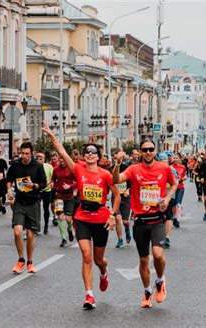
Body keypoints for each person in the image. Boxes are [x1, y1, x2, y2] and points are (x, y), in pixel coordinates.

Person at [43, 121, 119, 311]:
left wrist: (112, 215)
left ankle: (104, 272)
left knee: (98, 260)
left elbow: (117, 195)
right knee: (86, 255)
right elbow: (62, 152)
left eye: (93, 152)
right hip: (82, 217)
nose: (90, 154)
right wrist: (51, 135)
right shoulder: (79, 169)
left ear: (99, 157)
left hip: (101, 218)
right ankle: (89, 295)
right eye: (87, 152)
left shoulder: (105, 174)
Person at [113, 139, 177, 309]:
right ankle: (147, 291)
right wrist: (117, 164)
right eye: (144, 149)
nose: (148, 152)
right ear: (140, 152)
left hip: (157, 220)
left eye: (151, 149)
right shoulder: (134, 169)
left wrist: (168, 197)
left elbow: (175, 183)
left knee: (157, 255)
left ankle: (160, 280)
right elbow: (116, 179)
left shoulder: (164, 168)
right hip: (140, 222)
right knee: (143, 261)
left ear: (155, 151)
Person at [7, 142, 47, 274]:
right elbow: (9, 178)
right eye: (22, 153)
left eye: (27, 154)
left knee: (30, 235)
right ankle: (20, 259)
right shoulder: (15, 164)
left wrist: (33, 185)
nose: (24, 156)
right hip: (19, 201)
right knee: (17, 231)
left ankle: (30, 262)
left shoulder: (38, 166)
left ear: (31, 153)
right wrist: (8, 190)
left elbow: (43, 184)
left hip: (33, 202)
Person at [52, 157, 77, 247]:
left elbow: (78, 181)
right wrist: (52, 184)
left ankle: (70, 230)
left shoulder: (71, 168)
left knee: (68, 219)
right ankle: (63, 239)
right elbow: (53, 180)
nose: (61, 162)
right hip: (59, 195)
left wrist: (70, 186)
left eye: (63, 160)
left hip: (69, 196)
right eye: (60, 160)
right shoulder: (56, 170)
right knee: (60, 217)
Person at [111, 148, 132, 248]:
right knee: (118, 218)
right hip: (116, 197)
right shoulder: (111, 169)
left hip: (125, 197)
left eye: (118, 157)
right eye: (115, 158)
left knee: (125, 221)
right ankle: (120, 240)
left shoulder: (126, 168)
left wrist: (129, 190)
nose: (117, 159)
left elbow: (131, 182)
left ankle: (127, 230)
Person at [35, 152, 54, 235]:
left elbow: (53, 177)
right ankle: (37, 226)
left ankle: (46, 226)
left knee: (46, 208)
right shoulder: (34, 166)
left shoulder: (49, 167)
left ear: (44, 159)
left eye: (41, 158)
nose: (39, 160)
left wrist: (49, 183)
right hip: (37, 190)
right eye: (38, 158)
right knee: (36, 208)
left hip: (47, 190)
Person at [171, 154, 187, 228]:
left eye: (177, 158)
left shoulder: (182, 167)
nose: (175, 159)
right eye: (174, 158)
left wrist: (184, 178)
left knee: (178, 202)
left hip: (180, 187)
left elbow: (185, 175)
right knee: (173, 203)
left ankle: (177, 219)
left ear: (179, 159)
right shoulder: (170, 167)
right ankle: (174, 217)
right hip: (173, 187)